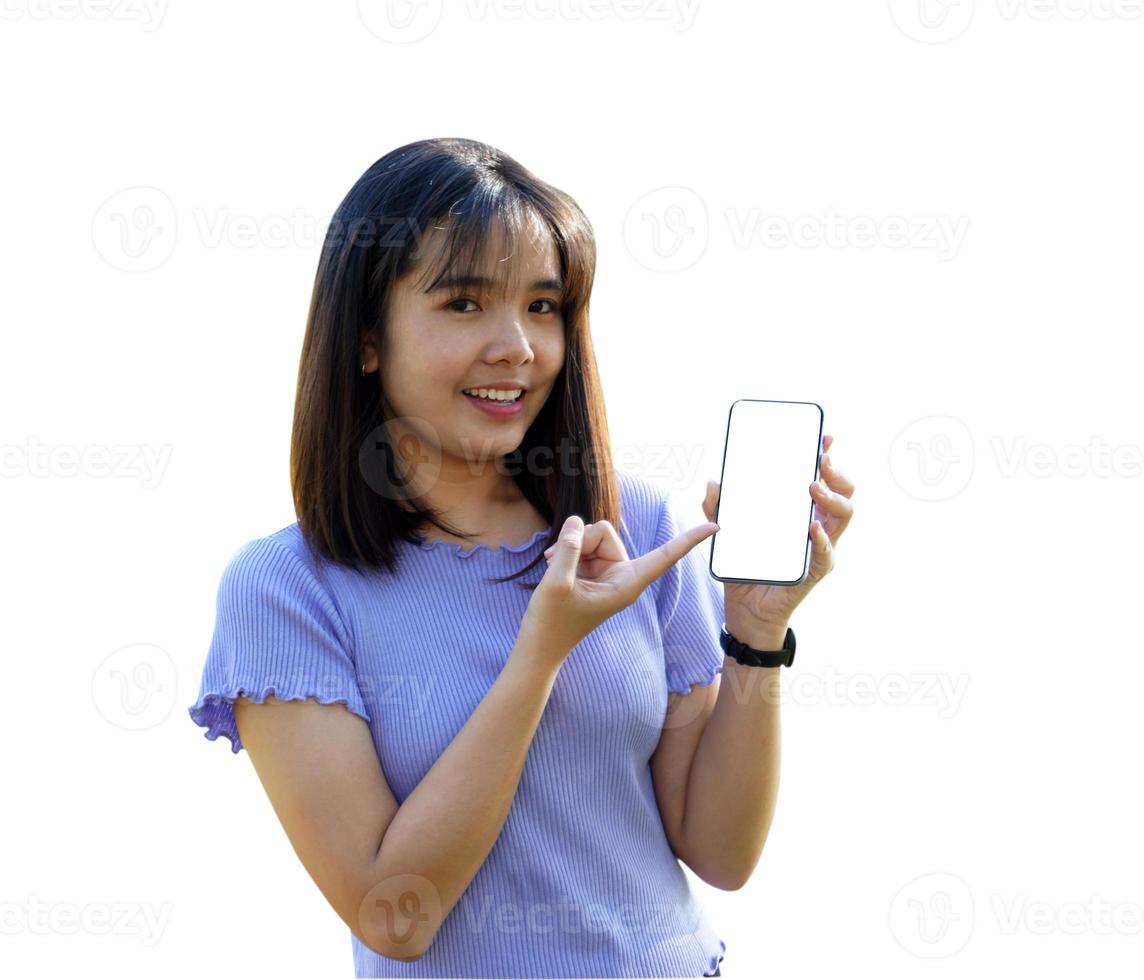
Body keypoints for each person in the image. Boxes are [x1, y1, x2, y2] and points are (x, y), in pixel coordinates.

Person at [188, 137, 853, 978]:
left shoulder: (634, 524)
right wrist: (539, 654)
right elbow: (397, 917)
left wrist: (755, 633)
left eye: (543, 307)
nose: (518, 347)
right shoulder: (287, 593)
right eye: (464, 304)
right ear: (365, 338)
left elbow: (721, 854)